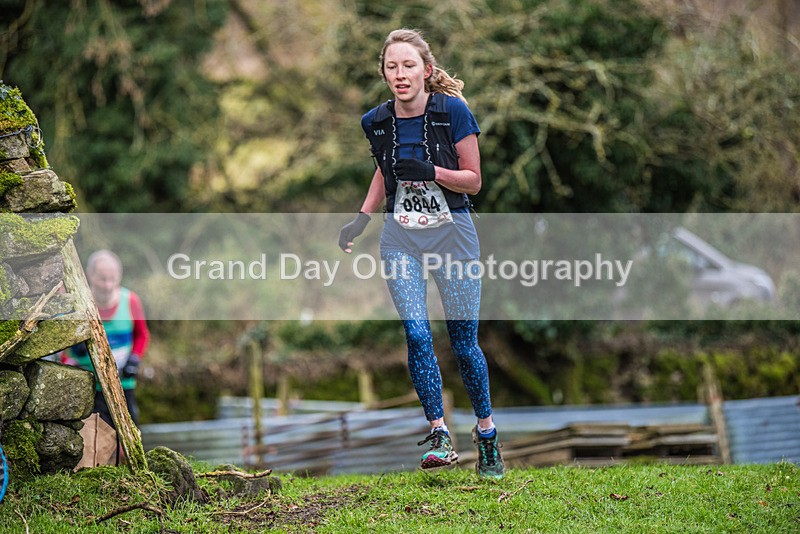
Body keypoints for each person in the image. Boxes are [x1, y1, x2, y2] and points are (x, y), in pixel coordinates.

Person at [338, 28, 504, 479]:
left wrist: (432, 171)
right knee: (416, 332)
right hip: (401, 237)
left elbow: (474, 180)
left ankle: (487, 434)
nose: (400, 74)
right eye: (392, 66)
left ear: (426, 71)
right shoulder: (375, 121)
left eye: (408, 65)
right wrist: (362, 217)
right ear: (384, 74)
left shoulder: (453, 112)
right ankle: (439, 434)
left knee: (464, 342)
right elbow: (383, 170)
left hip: (453, 235)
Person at [65, 249, 150, 429]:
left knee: (129, 435)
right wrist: (70, 358)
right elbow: (61, 343)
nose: (108, 285)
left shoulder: (131, 301)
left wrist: (135, 358)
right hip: (89, 388)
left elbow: (142, 335)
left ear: (120, 276)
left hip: (123, 385)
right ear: (90, 275)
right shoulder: (77, 303)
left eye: (113, 279)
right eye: (103, 279)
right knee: (96, 439)